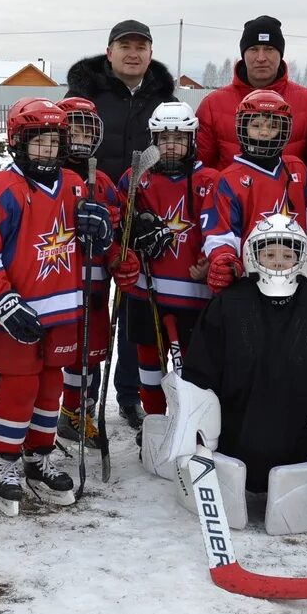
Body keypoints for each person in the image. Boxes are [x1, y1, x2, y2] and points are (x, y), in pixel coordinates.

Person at [142, 215, 307, 535]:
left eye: (287, 254)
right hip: (233, 441)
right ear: (252, 256)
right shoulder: (230, 303)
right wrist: (196, 438)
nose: (278, 262)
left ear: (300, 257)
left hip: (300, 445)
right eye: (269, 254)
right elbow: (200, 378)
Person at [0, 98, 114, 515]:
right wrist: (3, 299)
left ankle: (39, 456)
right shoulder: (1, 189)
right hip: (18, 314)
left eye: (54, 142)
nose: (47, 151)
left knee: (51, 389)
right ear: (17, 143)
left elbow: (91, 248)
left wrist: (99, 231)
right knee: (18, 389)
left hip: (65, 309)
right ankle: (5, 462)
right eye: (39, 143)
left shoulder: (74, 184)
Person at [65, 20, 177, 428]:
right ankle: (80, 399)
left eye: (141, 47)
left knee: (135, 310)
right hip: (91, 217)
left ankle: (130, 396)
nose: (133, 53)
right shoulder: (85, 93)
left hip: (139, 220)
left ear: (150, 53)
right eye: (124, 46)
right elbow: (65, 149)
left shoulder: (164, 99)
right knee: (90, 311)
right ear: (109, 52)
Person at [116, 102, 216, 419]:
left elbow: (219, 226)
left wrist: (207, 260)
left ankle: (190, 418)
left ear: (192, 140)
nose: (171, 145)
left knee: (192, 359)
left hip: (192, 291)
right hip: (147, 288)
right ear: (153, 139)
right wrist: (130, 234)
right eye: (164, 138)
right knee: (148, 357)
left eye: (179, 138)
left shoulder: (209, 179)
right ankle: (155, 419)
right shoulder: (135, 178)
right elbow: (118, 220)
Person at [55, 96, 123, 450]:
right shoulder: (48, 178)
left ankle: (80, 412)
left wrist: (117, 256)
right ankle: (51, 413)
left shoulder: (105, 182)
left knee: (90, 354)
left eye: (85, 128)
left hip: (94, 284)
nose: (78, 136)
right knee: (58, 353)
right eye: (71, 128)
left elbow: (116, 237)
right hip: (56, 284)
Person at [202, 91, 307, 295]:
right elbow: (220, 235)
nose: (264, 132)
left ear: (284, 130)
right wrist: (223, 259)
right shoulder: (228, 179)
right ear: (243, 127)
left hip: (294, 277)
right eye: (256, 125)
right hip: (249, 282)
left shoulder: (297, 169)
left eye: (273, 126)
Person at [195, 15, 307, 170]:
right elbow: (200, 173)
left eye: (269, 49)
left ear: (281, 54)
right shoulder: (212, 105)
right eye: (253, 49)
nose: (261, 57)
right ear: (243, 54)